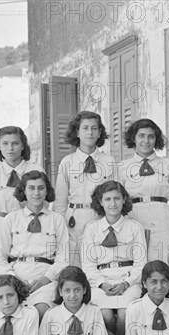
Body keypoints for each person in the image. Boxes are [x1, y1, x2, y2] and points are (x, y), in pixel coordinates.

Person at [81, 180, 147, 335]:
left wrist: (126, 283)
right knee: (106, 314)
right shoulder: (92, 229)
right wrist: (102, 284)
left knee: (127, 313)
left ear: (124, 200)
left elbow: (141, 263)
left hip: (129, 278)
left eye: (117, 198)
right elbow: (88, 265)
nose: (113, 204)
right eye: (107, 199)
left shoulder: (134, 227)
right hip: (102, 280)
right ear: (100, 202)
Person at [0, 170, 69, 321]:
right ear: (23, 191)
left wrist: (44, 280)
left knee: (41, 311)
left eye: (41, 188)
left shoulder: (56, 219)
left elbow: (63, 258)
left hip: (45, 279)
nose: (36, 193)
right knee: (14, 314)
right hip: (15, 277)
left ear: (47, 191)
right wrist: (15, 280)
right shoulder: (11, 219)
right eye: (31, 188)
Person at [0, 126, 44, 283]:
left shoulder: (34, 169)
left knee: (23, 266)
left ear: (22, 145)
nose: (10, 148)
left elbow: (44, 199)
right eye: (5, 143)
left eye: (15, 143)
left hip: (27, 225)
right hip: (1, 223)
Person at [53, 111, 117, 266]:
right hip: (74, 220)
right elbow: (60, 200)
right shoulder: (67, 162)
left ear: (99, 132)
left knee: (99, 261)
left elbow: (117, 196)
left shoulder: (109, 161)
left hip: (100, 217)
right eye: (85, 128)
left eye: (94, 128)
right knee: (74, 265)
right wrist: (59, 228)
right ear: (77, 132)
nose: (90, 132)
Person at [118, 118, 169, 262]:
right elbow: (117, 198)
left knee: (161, 260)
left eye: (151, 136)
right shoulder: (122, 167)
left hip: (161, 219)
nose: (146, 141)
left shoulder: (168, 165)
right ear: (134, 139)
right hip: (133, 217)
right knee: (136, 260)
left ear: (156, 139)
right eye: (141, 136)